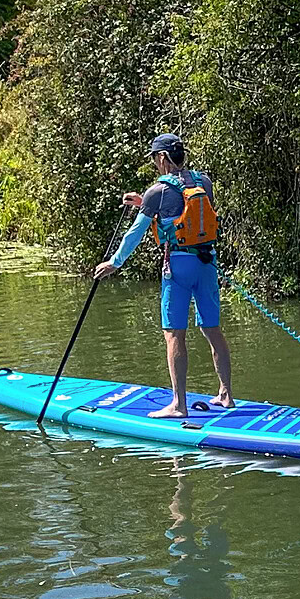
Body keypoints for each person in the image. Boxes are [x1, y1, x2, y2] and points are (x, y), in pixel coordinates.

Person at [92, 133, 234, 415]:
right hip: (207, 263)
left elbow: (136, 232)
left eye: (155, 159)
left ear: (162, 158)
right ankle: (226, 395)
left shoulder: (157, 191)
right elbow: (186, 212)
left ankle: (179, 405)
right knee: (212, 330)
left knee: (174, 335)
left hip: (178, 266)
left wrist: (115, 263)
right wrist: (142, 201)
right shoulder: (203, 181)